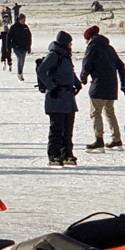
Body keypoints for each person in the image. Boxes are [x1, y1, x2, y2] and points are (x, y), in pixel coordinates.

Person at [78, 26, 125, 150]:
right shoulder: (109, 48)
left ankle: (99, 139)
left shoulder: (92, 48)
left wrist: (82, 78)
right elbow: (121, 66)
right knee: (110, 113)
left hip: (98, 86)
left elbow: (86, 65)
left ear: (88, 38)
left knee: (95, 113)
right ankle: (116, 139)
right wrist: (124, 85)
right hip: (112, 87)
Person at [37, 30, 82, 165]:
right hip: (56, 97)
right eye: (69, 43)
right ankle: (54, 155)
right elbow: (41, 71)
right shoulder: (54, 55)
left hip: (67, 97)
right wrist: (52, 86)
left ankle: (67, 153)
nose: (71, 46)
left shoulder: (65, 56)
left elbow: (70, 71)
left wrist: (77, 83)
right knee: (57, 128)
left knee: (68, 128)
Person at [4, 13, 33, 81]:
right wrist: (8, 47)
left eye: (25, 19)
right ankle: (19, 73)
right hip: (16, 47)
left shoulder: (25, 27)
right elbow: (8, 37)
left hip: (24, 47)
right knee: (19, 58)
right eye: (23, 19)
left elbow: (29, 37)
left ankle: (20, 72)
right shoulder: (14, 27)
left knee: (22, 60)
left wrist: (29, 47)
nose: (24, 21)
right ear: (19, 20)